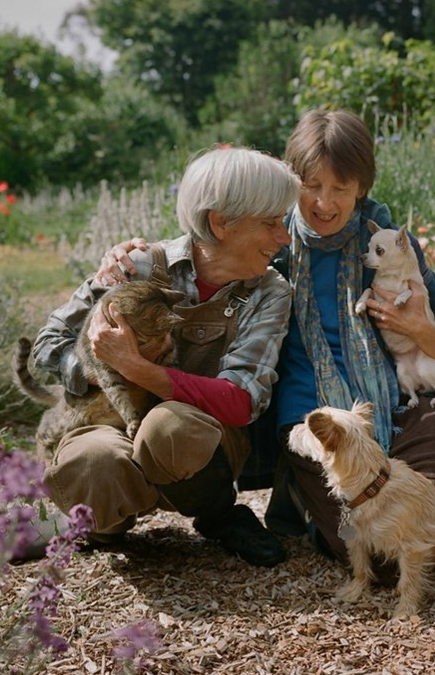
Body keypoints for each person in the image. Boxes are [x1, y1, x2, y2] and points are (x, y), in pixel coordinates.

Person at [99, 110, 435, 572]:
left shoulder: (388, 247)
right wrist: (127, 254)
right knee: (373, 556)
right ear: (290, 182)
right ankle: (316, 496)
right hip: (314, 423)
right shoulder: (266, 248)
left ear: (362, 187)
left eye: (341, 187)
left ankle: (402, 497)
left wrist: (421, 330)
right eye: (311, 186)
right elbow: (202, 248)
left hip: (398, 405)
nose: (324, 202)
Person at [31, 146, 301, 568]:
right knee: (95, 460)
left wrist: (136, 367)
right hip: (109, 425)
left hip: (198, 442)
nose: (284, 237)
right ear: (220, 222)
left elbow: (241, 400)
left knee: (171, 427)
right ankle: (92, 524)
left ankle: (217, 515)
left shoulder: (269, 292)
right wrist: (97, 366)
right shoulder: (135, 267)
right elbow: (46, 346)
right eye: (271, 223)